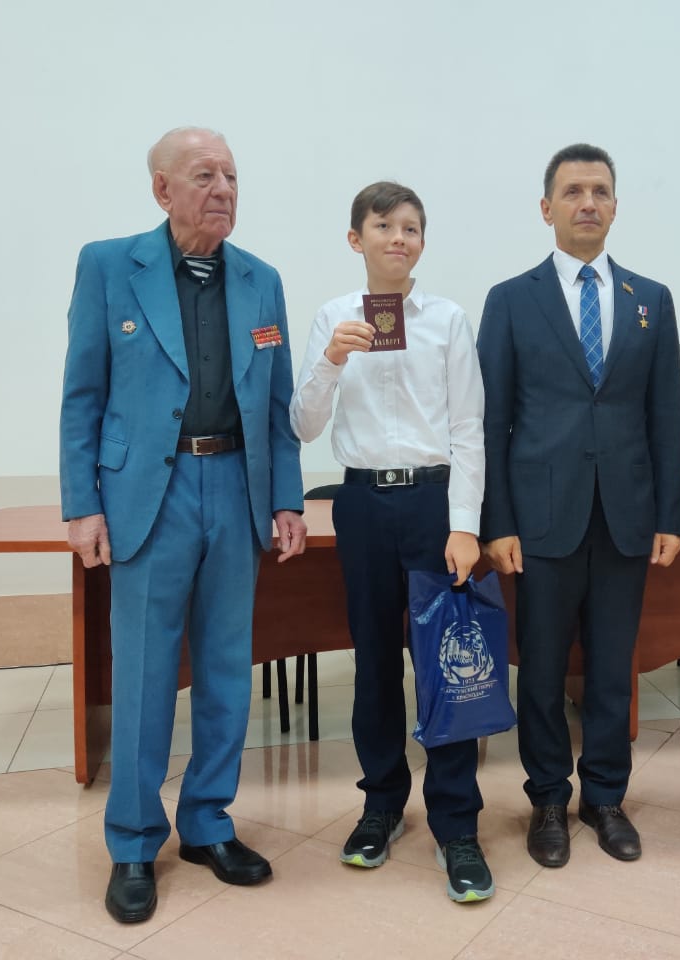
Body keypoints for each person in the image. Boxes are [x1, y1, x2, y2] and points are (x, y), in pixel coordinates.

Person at [59, 127, 306, 923]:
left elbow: (277, 402)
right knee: (142, 673)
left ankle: (207, 823)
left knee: (227, 668)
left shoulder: (261, 280)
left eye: (231, 175)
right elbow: (82, 395)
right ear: (162, 189)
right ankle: (134, 841)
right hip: (148, 496)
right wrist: (81, 503)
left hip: (235, 487)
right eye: (205, 175)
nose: (223, 189)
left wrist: (288, 498)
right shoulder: (110, 266)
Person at [477, 144, 680, 867]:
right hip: (540, 519)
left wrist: (670, 516)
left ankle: (604, 797)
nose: (587, 202)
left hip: (626, 515)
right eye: (572, 191)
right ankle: (546, 800)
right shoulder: (511, 299)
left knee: (611, 667)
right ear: (547, 208)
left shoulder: (651, 299)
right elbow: (492, 421)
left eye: (599, 191)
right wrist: (497, 521)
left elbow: (664, 415)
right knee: (539, 670)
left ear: (616, 207)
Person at [289, 181, 493, 903]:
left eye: (410, 227)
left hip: (435, 503)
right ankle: (380, 804)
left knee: (447, 663)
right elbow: (303, 424)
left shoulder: (448, 319)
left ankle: (457, 824)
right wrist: (331, 361)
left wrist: (465, 524)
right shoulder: (333, 316)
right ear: (357, 239)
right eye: (383, 226)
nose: (398, 238)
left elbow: (468, 428)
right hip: (364, 502)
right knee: (374, 660)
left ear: (422, 242)